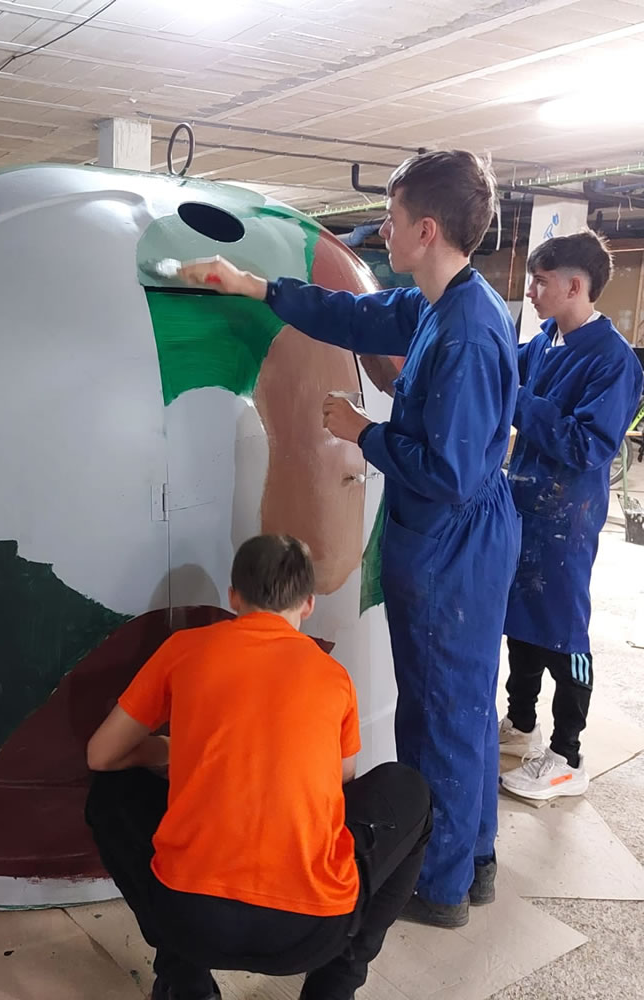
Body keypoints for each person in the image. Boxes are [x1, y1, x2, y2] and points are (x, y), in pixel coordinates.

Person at [174, 150, 520, 928]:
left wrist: (362, 432)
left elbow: (450, 473)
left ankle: (439, 886)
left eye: (392, 221)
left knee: (440, 712)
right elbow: (358, 317)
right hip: (456, 536)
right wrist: (256, 288)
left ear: (426, 231)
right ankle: (473, 860)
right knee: (462, 706)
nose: (381, 233)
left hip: (452, 542)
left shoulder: (464, 331)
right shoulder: (443, 302)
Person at [85, 534, 431, 1000]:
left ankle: (185, 986)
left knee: (109, 791)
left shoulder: (183, 649)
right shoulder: (333, 676)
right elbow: (342, 784)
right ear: (308, 604)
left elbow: (100, 755)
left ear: (233, 597)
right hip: (311, 932)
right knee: (410, 791)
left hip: (189, 923)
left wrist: (166, 750)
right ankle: (334, 988)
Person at [499, 231, 643, 800]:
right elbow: (504, 371)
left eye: (541, 282)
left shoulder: (613, 361)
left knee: (563, 632)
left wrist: (518, 400)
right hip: (524, 506)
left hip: (567, 519)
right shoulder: (544, 342)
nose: (531, 292)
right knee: (521, 622)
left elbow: (587, 446)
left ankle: (567, 755)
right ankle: (522, 724)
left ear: (575, 285)